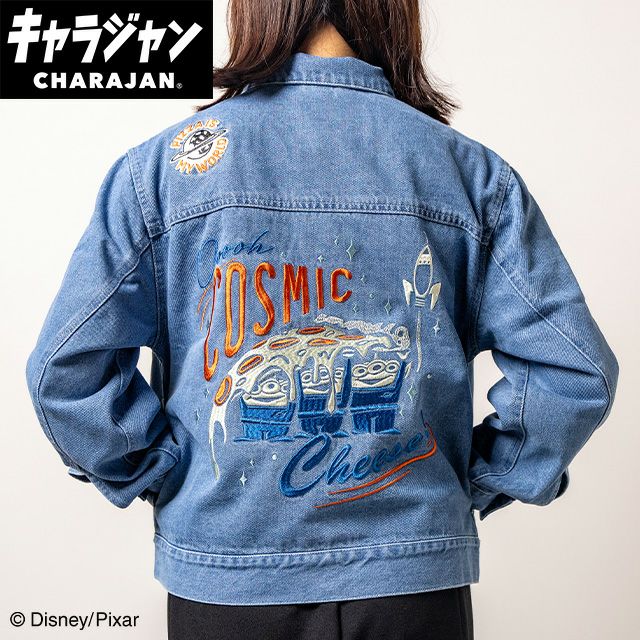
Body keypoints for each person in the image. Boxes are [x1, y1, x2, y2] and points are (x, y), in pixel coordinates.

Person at [25, 1, 619, 639]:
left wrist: (163, 472)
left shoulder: (162, 173)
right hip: (410, 582)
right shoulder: (468, 174)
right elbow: (574, 369)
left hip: (228, 582)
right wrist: (476, 480)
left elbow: (65, 371)